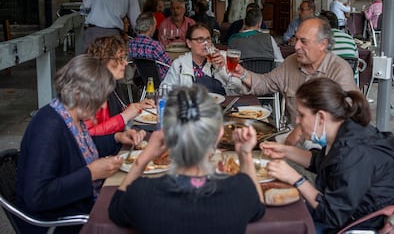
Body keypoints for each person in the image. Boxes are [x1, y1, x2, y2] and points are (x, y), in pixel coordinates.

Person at [16, 55, 146, 234]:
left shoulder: (68, 115)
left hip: (76, 205)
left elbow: (78, 148)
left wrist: (116, 138)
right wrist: (91, 173)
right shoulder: (49, 127)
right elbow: (37, 196)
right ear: (78, 94)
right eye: (98, 99)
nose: (101, 107)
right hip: (58, 222)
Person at [109, 85, 265, 233]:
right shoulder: (239, 191)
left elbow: (115, 209)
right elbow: (258, 208)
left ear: (166, 135)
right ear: (219, 134)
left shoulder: (143, 193)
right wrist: (245, 154)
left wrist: (142, 159)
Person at [260, 77, 394, 233]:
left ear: (321, 117)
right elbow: (320, 161)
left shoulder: (354, 152)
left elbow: (333, 215)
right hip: (348, 211)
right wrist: (284, 150)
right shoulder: (345, 129)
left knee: (282, 224)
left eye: (301, 115)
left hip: (366, 222)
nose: (297, 120)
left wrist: (295, 179)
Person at [231, 17, 357, 146]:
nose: (296, 46)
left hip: (326, 141)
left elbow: (346, 115)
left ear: (323, 44)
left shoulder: (339, 70)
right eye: (296, 39)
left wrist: (301, 129)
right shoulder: (291, 61)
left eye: (303, 41)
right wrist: (242, 73)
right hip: (291, 134)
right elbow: (266, 83)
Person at [85, 35, 155, 136]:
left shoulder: (112, 83)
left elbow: (115, 112)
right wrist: (124, 117)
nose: (126, 63)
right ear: (103, 61)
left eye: (124, 57)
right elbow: (88, 135)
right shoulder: (92, 90)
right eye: (120, 58)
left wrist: (137, 106)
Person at [162, 23, 243, 95]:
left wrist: (222, 68)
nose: (206, 43)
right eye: (200, 39)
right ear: (189, 43)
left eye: (208, 39)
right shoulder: (179, 64)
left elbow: (238, 90)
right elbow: (164, 91)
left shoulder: (224, 57)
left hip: (221, 108)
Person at [128, 12, 172, 79]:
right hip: (159, 81)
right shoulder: (155, 46)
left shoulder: (130, 43)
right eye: (155, 25)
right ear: (150, 27)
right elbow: (169, 66)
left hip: (139, 80)